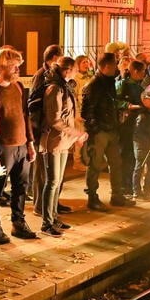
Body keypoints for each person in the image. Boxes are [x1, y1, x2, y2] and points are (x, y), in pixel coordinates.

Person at [0, 48, 38, 244]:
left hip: (21, 146)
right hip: (3, 148)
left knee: (21, 187)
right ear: (1, 67)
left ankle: (18, 222)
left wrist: (30, 142)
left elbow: (24, 115)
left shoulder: (18, 87)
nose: (17, 70)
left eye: (18, 67)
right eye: (14, 67)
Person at [40, 57, 88, 235]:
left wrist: (74, 134)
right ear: (67, 70)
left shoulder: (64, 87)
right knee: (52, 182)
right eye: (75, 69)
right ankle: (46, 222)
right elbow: (54, 119)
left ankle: (53, 218)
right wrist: (76, 133)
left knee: (58, 181)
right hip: (53, 140)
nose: (77, 73)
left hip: (63, 140)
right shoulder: (55, 89)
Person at [82, 52, 133, 210]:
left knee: (115, 163)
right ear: (106, 66)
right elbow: (88, 111)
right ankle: (92, 197)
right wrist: (95, 129)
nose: (116, 68)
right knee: (95, 164)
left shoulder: (108, 82)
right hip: (101, 131)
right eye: (114, 65)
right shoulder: (94, 85)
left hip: (110, 128)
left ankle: (117, 195)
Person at [28, 44, 64, 217]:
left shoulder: (53, 76)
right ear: (52, 59)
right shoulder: (41, 76)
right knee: (42, 171)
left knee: (52, 173)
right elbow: (34, 105)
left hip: (50, 130)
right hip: (42, 129)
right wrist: (37, 129)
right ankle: (40, 206)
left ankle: (53, 203)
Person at [116, 60, 147, 197]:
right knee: (126, 154)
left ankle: (128, 185)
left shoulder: (137, 85)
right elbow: (114, 100)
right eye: (142, 71)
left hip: (135, 123)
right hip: (125, 123)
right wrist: (128, 105)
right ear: (135, 71)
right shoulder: (124, 84)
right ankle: (123, 185)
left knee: (131, 155)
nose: (144, 74)